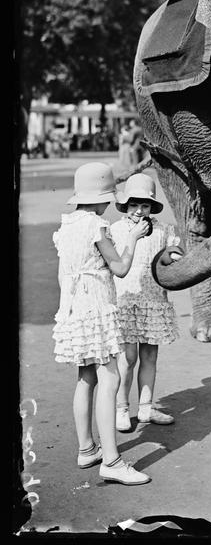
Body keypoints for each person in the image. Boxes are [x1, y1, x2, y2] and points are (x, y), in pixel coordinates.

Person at [52, 163, 151, 485]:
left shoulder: (66, 226)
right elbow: (120, 268)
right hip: (96, 310)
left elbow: (62, 275)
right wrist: (134, 237)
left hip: (73, 310)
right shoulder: (98, 226)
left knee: (85, 378)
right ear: (102, 198)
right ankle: (112, 460)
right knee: (109, 380)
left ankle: (86, 449)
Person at [111, 174, 182, 431]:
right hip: (126, 301)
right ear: (126, 206)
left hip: (154, 301)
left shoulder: (164, 230)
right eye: (133, 205)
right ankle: (121, 409)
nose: (139, 211)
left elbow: (172, 253)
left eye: (145, 205)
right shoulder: (116, 230)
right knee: (127, 358)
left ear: (152, 207)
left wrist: (174, 255)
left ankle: (145, 408)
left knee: (149, 356)